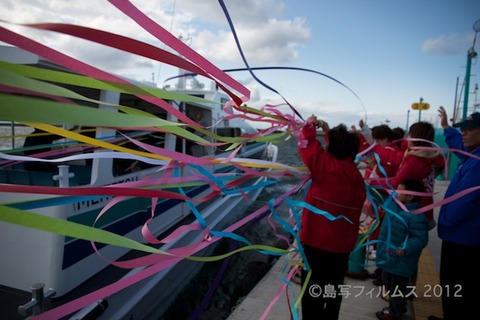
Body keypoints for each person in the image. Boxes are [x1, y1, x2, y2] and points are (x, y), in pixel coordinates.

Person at [297, 115, 366, 320]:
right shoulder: (355, 176)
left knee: (312, 293)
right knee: (333, 290)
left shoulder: (325, 167)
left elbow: (307, 144)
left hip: (316, 245)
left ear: (331, 148)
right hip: (341, 248)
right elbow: (343, 151)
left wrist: (309, 125)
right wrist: (328, 132)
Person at [428, 107, 480, 320]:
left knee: (457, 285)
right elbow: (459, 145)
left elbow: (468, 199)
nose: (464, 133)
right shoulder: (472, 154)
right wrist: (447, 127)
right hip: (458, 234)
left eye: (469, 129)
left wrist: (447, 220)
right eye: (463, 129)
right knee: (453, 285)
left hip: (464, 238)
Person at [375, 179, 429, 320]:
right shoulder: (394, 205)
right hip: (388, 256)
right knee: (387, 283)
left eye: (399, 191)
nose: (394, 193)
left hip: (402, 260)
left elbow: (420, 238)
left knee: (397, 289)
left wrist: (405, 248)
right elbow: (384, 201)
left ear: (409, 196)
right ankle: (399, 305)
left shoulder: (417, 216)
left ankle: (394, 312)